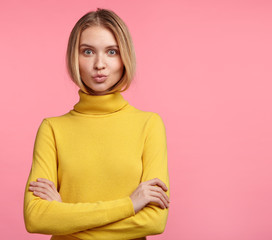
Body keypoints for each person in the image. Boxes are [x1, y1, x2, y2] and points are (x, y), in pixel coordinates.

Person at [23, 8, 170, 240]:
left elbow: (154, 221)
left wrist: (65, 218)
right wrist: (130, 205)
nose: (99, 64)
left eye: (112, 51)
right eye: (88, 51)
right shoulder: (52, 129)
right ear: (75, 56)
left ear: (125, 58)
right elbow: (36, 218)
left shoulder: (149, 125)